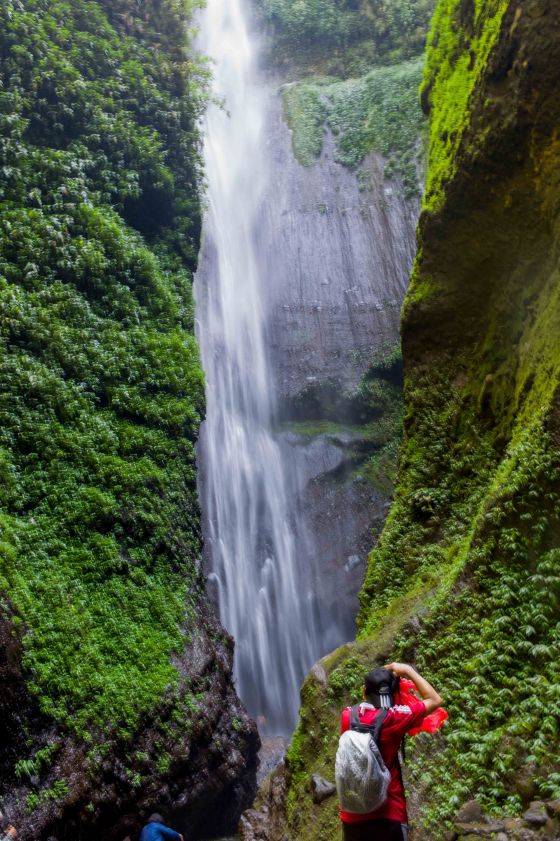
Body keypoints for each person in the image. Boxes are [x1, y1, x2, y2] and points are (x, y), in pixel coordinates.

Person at [339, 662, 443, 841]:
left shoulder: (347, 716)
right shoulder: (395, 718)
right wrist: (408, 670)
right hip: (389, 816)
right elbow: (435, 700)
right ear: (392, 695)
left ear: (364, 692)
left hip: (352, 816)